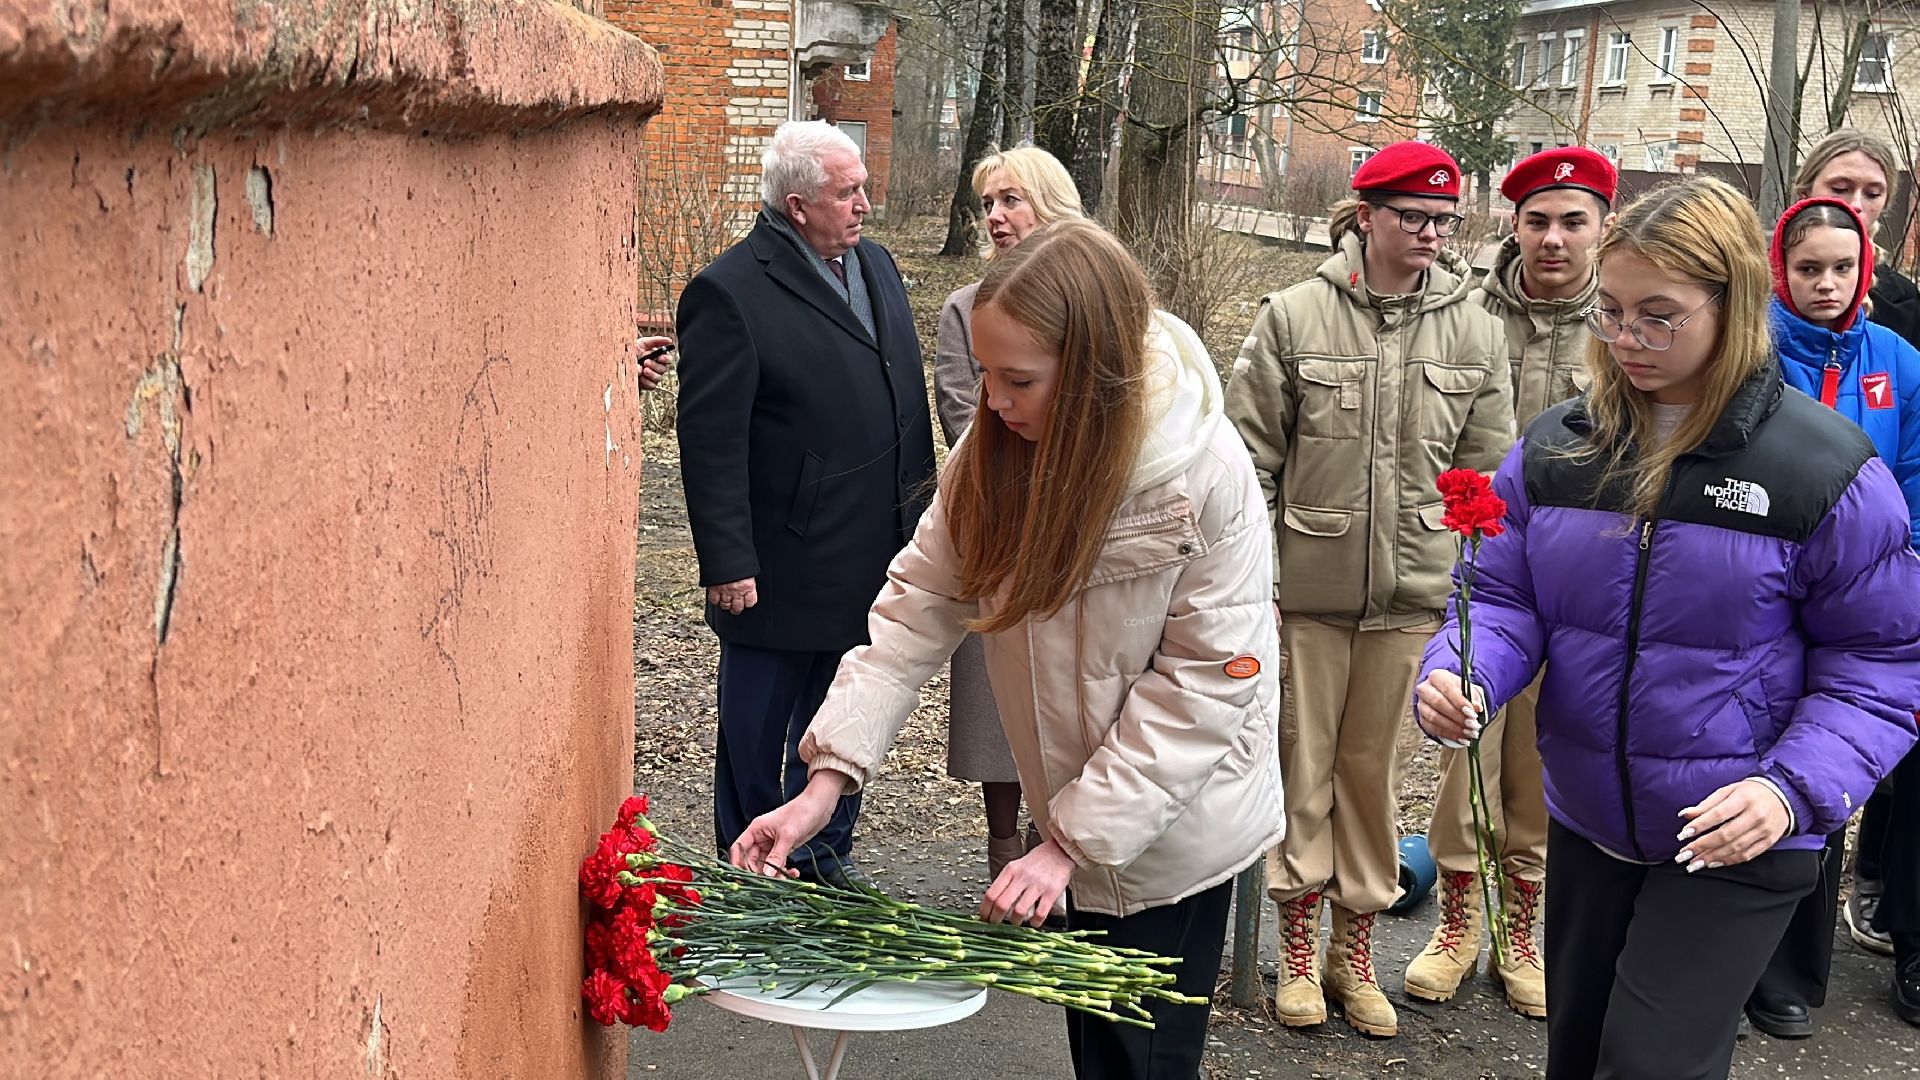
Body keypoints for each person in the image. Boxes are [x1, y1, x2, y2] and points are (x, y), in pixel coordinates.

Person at [729, 218, 1284, 1080]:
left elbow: (1208, 688)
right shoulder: (995, 454)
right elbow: (912, 613)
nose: (991, 401)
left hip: (1177, 828)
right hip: (1073, 813)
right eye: (984, 372)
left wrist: (1065, 843)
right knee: (1098, 1045)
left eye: (1018, 379)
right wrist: (823, 785)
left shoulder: (1203, 474)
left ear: (1096, 369)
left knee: (1144, 1057)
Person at [1413, 176, 1920, 1080]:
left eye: (1658, 316)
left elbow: (1882, 666)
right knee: (1577, 1052)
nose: (1627, 340)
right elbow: (1500, 597)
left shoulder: (1823, 471)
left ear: (1733, 306)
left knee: (1649, 1065)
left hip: (1737, 829)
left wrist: (1791, 790)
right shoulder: (1562, 445)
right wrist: (1466, 671)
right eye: (1609, 312)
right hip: (1592, 818)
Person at [1226, 140, 1512, 1038]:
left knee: (1372, 774)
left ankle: (1357, 955)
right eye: (1413, 218)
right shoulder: (1296, 316)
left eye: (1443, 220)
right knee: (1302, 767)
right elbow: (1248, 464)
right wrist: (1259, 581)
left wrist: (1471, 581)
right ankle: (1299, 952)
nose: (1430, 234)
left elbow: (1487, 472)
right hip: (1306, 592)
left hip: (1415, 595)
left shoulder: (1474, 328)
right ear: (1367, 216)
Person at [674, 120, 936, 886]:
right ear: (797, 205)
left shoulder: (876, 265)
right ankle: (751, 866)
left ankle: (824, 853)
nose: (864, 203)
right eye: (846, 191)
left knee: (842, 713)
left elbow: (904, 399)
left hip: (873, 544)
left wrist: (919, 522)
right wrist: (727, 559)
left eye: (861, 187)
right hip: (780, 559)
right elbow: (710, 439)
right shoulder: (730, 291)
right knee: (758, 726)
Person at [1404, 147, 1618, 1021]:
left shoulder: (1623, 324)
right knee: (1469, 744)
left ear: (1602, 227)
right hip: (1482, 579)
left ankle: (1519, 931)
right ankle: (1457, 925)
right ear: (1513, 225)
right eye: (1538, 220)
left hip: (1580, 587)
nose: (1555, 239)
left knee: (1539, 761)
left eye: (1574, 221)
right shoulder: (1464, 312)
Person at [1745, 193, 1920, 1037]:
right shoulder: (1755, 350)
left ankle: (1788, 971)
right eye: (1808, 269)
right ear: (1782, 269)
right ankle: (1725, 961)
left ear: (1867, 269)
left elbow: (1914, 478)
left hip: (1860, 599)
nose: (1825, 283)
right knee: (1751, 767)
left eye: (1841, 269)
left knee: (1823, 782)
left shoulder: (1897, 359)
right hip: (1766, 589)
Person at [932, 147, 1084, 888]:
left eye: (1011, 199)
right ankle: (1002, 850)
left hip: (1084, 532)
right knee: (998, 702)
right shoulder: (964, 310)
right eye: (987, 203)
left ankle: (1053, 845)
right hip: (1002, 531)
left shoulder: (1095, 299)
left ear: (1050, 202)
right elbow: (967, 419)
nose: (994, 215)